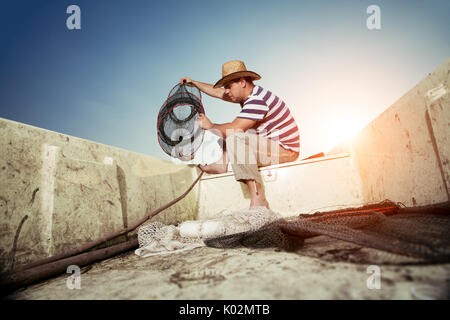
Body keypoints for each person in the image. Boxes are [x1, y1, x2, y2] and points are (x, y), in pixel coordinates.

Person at [180, 60, 300, 209]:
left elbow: (235, 129)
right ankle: (221, 163)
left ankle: (259, 200)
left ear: (242, 82)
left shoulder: (257, 100)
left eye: (229, 86)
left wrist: (211, 126)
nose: (227, 91)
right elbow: (218, 92)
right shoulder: (251, 95)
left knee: (234, 135)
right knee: (230, 132)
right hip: (270, 145)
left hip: (286, 152)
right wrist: (194, 83)